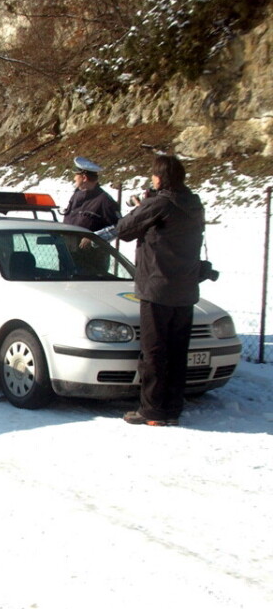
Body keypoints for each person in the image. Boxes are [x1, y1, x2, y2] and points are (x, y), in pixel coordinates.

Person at [103, 155, 205, 426]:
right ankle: (172, 407)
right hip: (185, 289)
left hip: (157, 288)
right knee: (177, 351)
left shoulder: (160, 203)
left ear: (161, 178)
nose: (152, 179)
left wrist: (144, 205)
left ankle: (151, 410)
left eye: (154, 175)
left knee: (154, 352)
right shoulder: (194, 204)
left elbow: (124, 230)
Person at [62, 157, 120, 232]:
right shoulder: (76, 195)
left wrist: (93, 238)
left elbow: (117, 227)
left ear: (84, 178)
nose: (74, 178)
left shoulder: (104, 201)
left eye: (76, 175)